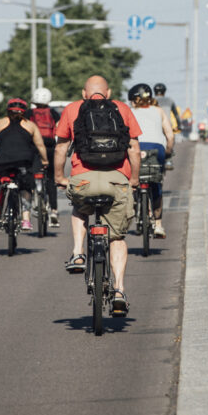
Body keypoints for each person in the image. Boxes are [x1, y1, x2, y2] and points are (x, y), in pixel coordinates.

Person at [54, 75, 142, 313]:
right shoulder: (122, 109)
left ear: (84, 93)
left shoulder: (72, 109)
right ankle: (120, 290)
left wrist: (60, 177)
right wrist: (133, 179)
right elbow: (134, 149)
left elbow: (61, 147)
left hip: (84, 179)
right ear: (109, 92)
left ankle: (78, 253)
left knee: (79, 207)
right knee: (117, 238)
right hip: (117, 180)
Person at [0, 98, 49, 232]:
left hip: (2, 162)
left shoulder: (1, 123)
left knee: (0, 184)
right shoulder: (30, 125)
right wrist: (45, 160)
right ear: (24, 112)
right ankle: (26, 220)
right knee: (25, 187)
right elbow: (40, 146)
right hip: (24, 162)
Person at [128, 83, 174, 238]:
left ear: (134, 100)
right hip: (157, 149)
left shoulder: (129, 112)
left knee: (133, 178)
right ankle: (159, 225)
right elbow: (170, 136)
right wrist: (167, 153)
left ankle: (135, 205)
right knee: (156, 184)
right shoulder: (159, 111)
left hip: (136, 147)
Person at [30, 87, 62, 226]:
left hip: (33, 147)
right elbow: (59, 130)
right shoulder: (53, 113)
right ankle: (54, 211)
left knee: (30, 174)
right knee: (51, 180)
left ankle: (34, 198)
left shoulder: (28, 113)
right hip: (49, 147)